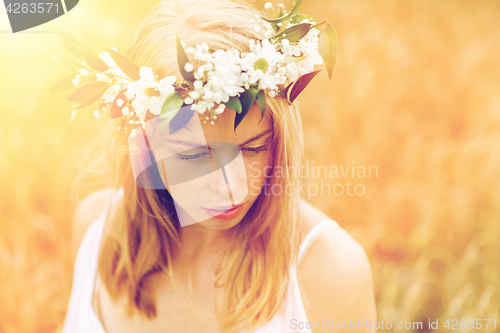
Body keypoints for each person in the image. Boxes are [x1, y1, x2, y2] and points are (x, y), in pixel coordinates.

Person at [62, 0, 376, 332]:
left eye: (253, 148)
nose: (230, 187)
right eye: (194, 156)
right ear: (144, 147)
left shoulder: (329, 272)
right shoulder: (96, 231)